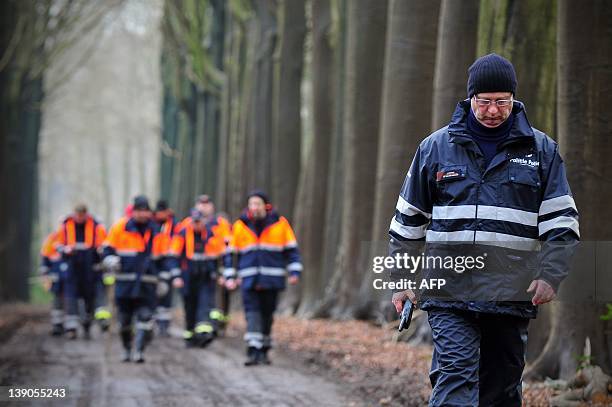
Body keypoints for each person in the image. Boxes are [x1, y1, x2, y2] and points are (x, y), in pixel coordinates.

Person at [388, 53, 580, 406]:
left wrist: (551, 275)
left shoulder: (541, 151)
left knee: (501, 389)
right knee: (456, 375)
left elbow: (562, 222)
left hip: (511, 291)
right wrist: (402, 281)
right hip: (449, 292)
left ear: (513, 100)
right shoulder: (434, 148)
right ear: (470, 98)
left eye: (502, 102)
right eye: (485, 102)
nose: (493, 110)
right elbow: (408, 221)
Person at [224, 190, 302, 366]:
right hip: (248, 278)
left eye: (257, 204)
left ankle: (264, 349)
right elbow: (231, 255)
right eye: (251, 204)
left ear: (266, 205)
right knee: (252, 313)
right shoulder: (239, 226)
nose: (254, 207)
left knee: (267, 314)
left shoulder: (280, 225)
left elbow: (292, 251)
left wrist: (294, 272)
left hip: (272, 278)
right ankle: (253, 349)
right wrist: (230, 275)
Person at [102, 195, 165, 363]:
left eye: (146, 211)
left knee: (145, 318)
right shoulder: (120, 228)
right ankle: (126, 349)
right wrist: (110, 260)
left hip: (147, 285)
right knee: (124, 322)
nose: (143, 215)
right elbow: (107, 249)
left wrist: (165, 279)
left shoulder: (157, 230)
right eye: (139, 211)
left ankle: (139, 350)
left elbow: (164, 257)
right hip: (125, 284)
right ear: (133, 211)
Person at [169, 209, 225, 347]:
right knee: (190, 306)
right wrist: (176, 276)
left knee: (204, 304)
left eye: (199, 221)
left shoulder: (211, 235)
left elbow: (220, 256)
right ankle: (190, 334)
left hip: (205, 277)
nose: (196, 224)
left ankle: (204, 334)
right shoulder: (182, 234)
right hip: (187, 278)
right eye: (194, 222)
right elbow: (173, 256)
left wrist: (219, 274)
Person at [55, 204, 107, 339]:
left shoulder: (96, 226)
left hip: (91, 270)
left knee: (90, 298)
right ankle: (71, 328)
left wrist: (101, 254)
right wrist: (65, 250)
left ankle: (87, 324)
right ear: (74, 214)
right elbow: (58, 245)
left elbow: (103, 245)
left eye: (82, 215)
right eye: (77, 215)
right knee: (71, 298)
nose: (79, 218)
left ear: (86, 214)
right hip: (72, 269)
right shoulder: (66, 226)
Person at [152, 199, 176, 336]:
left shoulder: (174, 224)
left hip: (167, 261)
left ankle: (164, 325)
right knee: (153, 292)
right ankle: (153, 321)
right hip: (153, 262)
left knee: (166, 293)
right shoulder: (150, 223)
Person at [40, 231, 67, 336]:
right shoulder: (52, 239)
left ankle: (71, 326)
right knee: (57, 301)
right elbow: (45, 257)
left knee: (70, 301)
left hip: (70, 279)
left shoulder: (72, 237)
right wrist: (45, 272)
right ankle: (57, 325)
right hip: (55, 279)